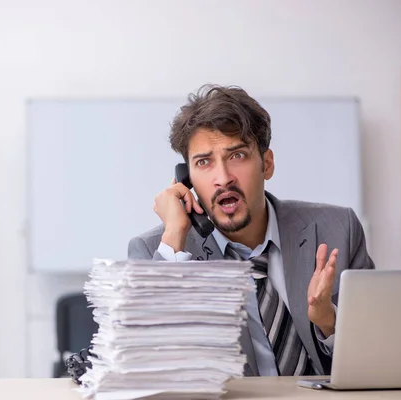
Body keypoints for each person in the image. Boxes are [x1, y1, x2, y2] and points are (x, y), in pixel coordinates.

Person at [127, 84, 375, 377]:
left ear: (266, 164)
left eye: (237, 156)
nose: (223, 178)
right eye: (203, 162)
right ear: (187, 179)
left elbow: (377, 356)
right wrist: (174, 236)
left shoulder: (338, 230)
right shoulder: (160, 249)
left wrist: (329, 322)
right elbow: (147, 366)